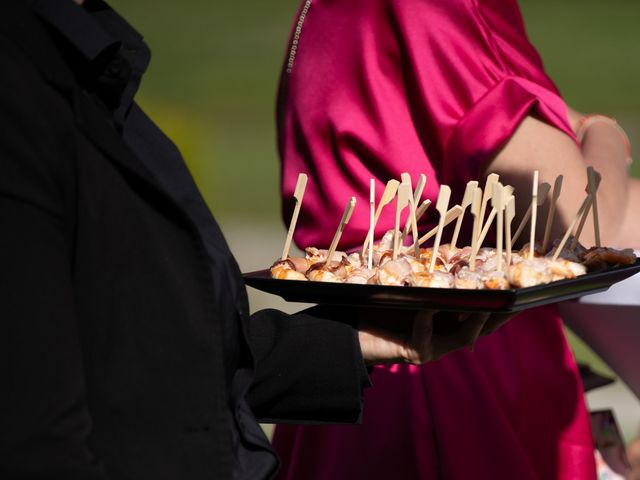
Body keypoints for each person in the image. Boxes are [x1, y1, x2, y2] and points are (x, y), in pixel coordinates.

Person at [0, 1, 512, 479]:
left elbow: (144, 362)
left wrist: (352, 342)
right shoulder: (20, 99)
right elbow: (37, 439)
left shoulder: (76, 64)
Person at [274, 0, 640, 479]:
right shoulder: (442, 7)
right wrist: (605, 132)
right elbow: (587, 227)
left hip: (346, 373)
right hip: (455, 366)